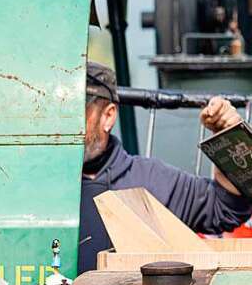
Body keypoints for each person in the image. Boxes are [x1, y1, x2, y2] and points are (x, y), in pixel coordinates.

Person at [78, 62, 252, 273]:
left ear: (108, 116)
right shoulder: (32, 184)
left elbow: (225, 208)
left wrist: (230, 139)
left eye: (76, 111)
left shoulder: (153, 181)